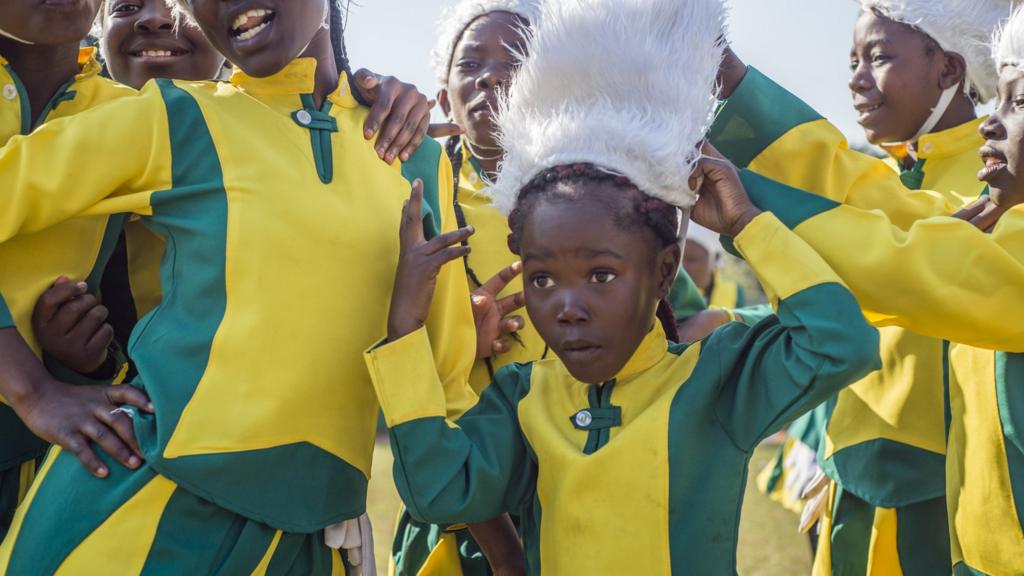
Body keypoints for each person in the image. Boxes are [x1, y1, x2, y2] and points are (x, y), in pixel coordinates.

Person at [367, 0, 880, 573]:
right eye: (541, 279)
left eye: (601, 275)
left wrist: (746, 225)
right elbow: (440, 493)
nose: (567, 307)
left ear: (664, 272)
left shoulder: (714, 380)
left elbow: (843, 341)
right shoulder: (524, 395)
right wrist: (406, 330)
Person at [0, 0, 483, 572]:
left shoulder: (419, 155)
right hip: (137, 519)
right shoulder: (171, 117)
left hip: (316, 541)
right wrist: (35, 390)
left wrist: (498, 549)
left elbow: (449, 393)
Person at [707, 4, 1024, 571]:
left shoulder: (994, 206)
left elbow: (896, 261)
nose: (991, 121)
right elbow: (878, 211)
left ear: (948, 70)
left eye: (877, 58)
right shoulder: (946, 189)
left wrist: (748, 211)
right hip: (869, 486)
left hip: (928, 504)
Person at [389, 2, 543, 574]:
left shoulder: (597, 197)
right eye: (470, 61)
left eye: (517, 59)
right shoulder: (411, 194)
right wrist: (454, 337)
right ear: (442, 95)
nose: (490, 75)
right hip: (458, 508)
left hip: (577, 489)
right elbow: (398, 355)